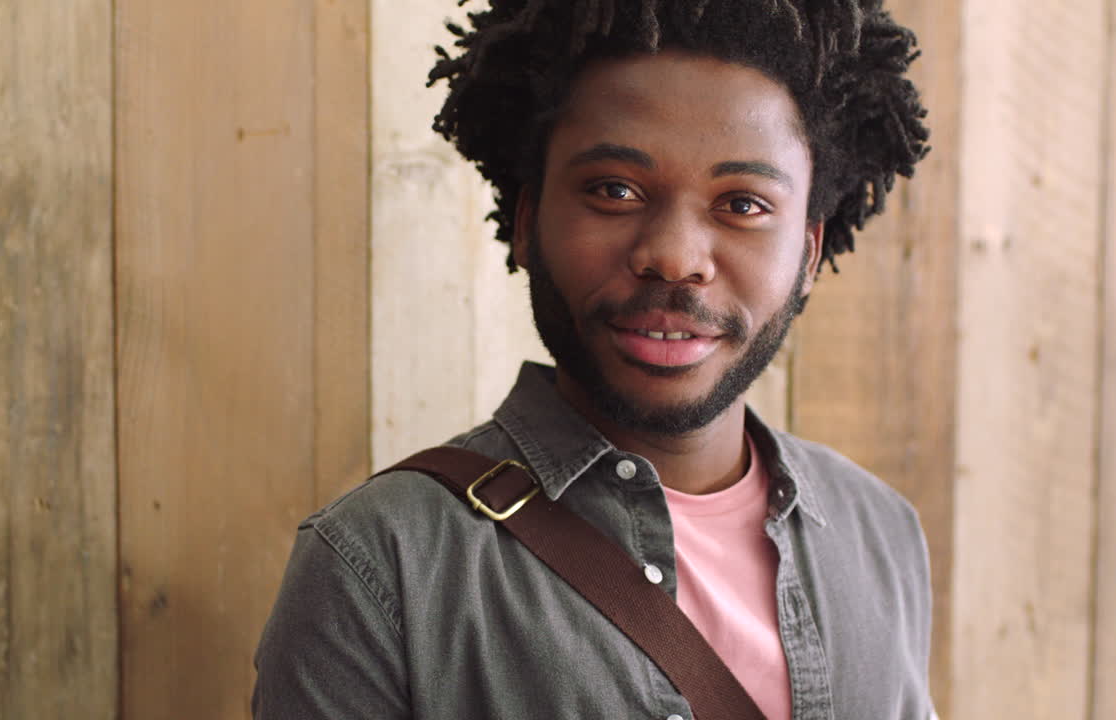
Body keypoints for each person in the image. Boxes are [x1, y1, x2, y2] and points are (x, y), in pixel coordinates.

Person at [253, 1, 935, 718]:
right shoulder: (381, 566)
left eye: (742, 204)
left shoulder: (879, 532)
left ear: (808, 253)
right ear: (526, 222)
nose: (673, 257)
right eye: (615, 190)